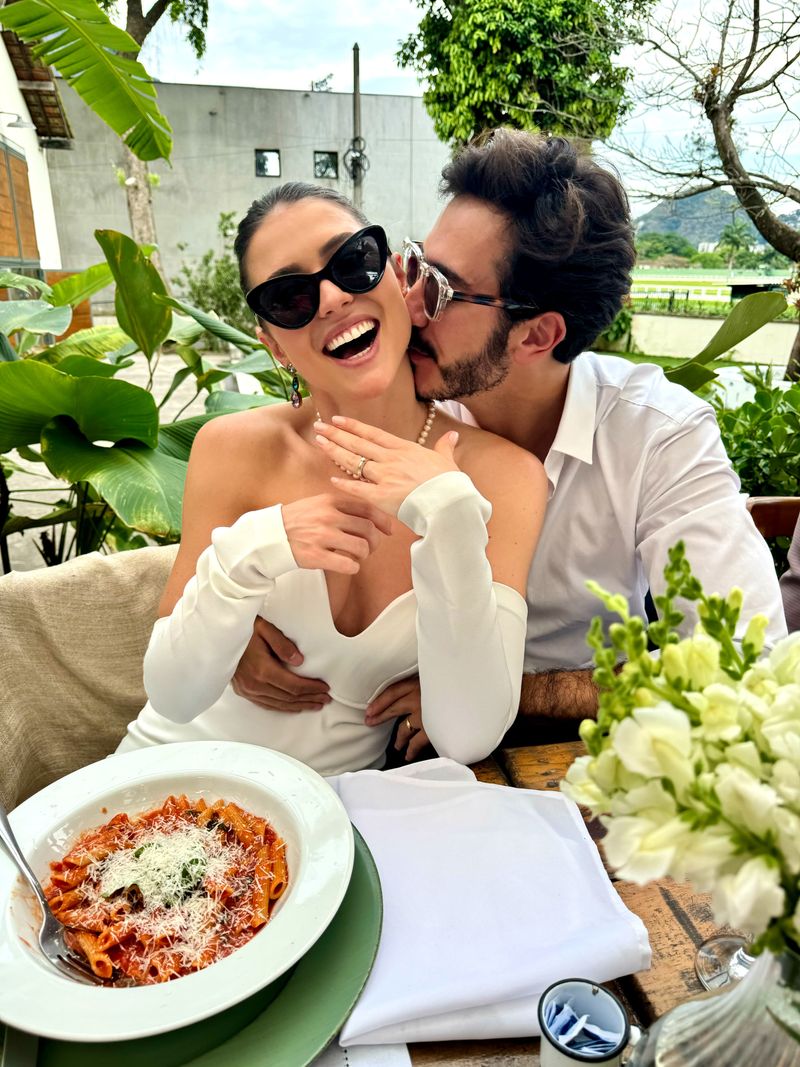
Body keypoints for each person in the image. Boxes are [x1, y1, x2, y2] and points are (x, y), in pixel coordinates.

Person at [232, 130, 786, 740]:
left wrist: (512, 693)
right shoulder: (401, 396)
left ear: (537, 336)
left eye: (439, 290)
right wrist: (233, 627)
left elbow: (745, 663)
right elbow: (273, 487)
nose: (408, 304)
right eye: (413, 266)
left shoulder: (657, 435)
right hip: (388, 732)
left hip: (570, 735)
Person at [117, 182, 547, 775]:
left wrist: (451, 523)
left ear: (397, 276)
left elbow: (466, 737)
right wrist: (248, 558)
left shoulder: (505, 477)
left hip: (333, 815)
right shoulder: (233, 448)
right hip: (162, 781)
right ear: (273, 344)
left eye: (353, 261)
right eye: (289, 296)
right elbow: (173, 694)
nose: (331, 298)